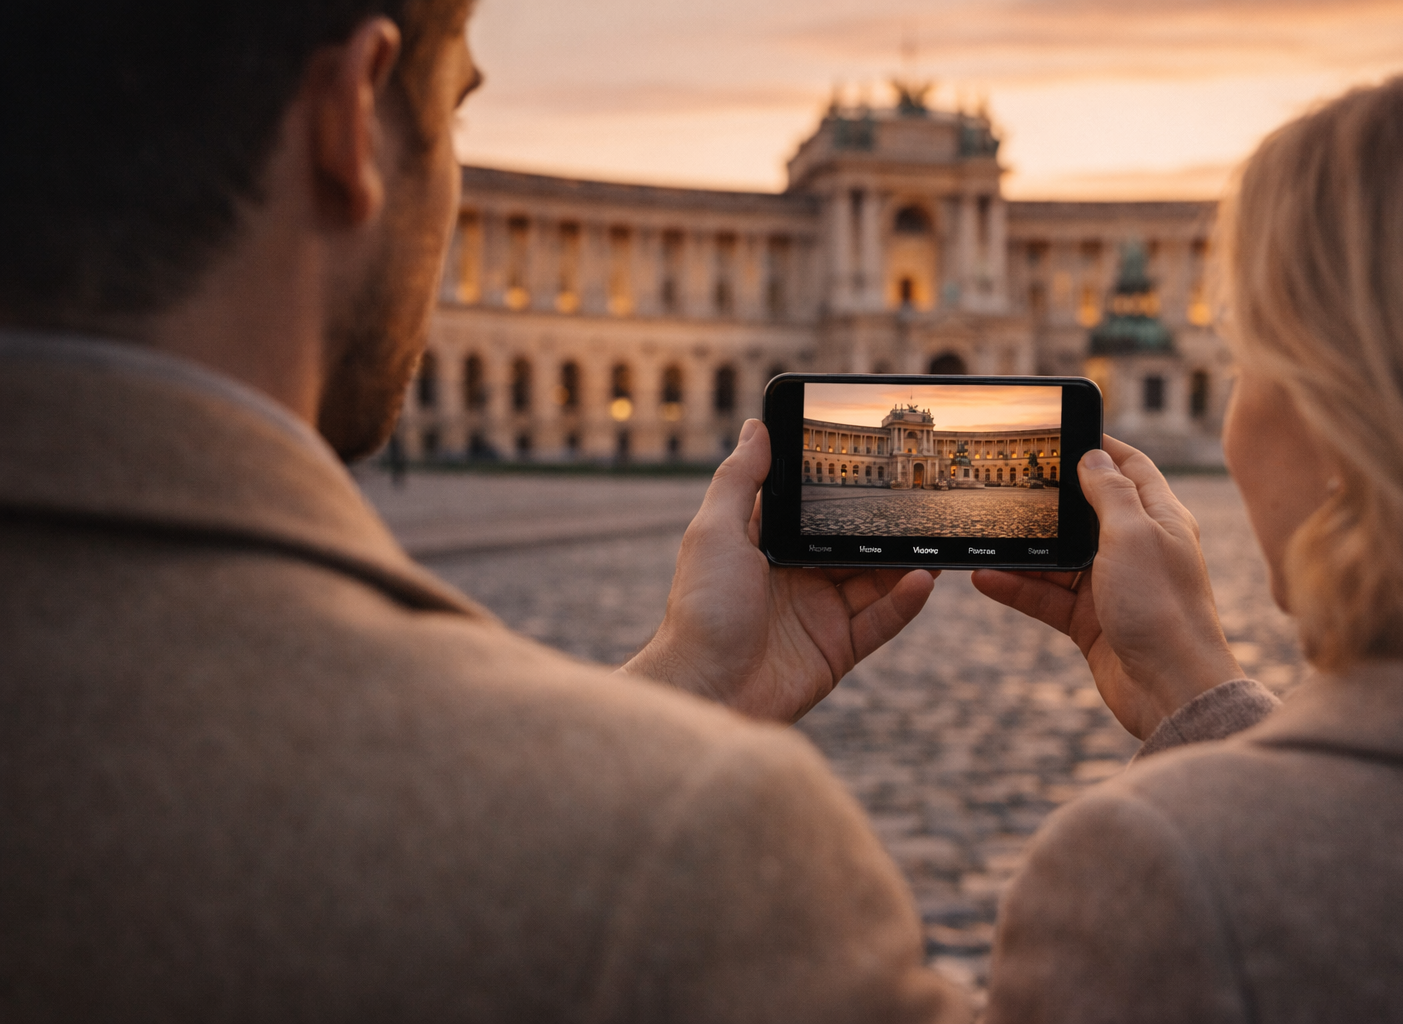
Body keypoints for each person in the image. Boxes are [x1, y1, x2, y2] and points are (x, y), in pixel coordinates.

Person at [0, 2, 978, 1019]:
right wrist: (1167, 722)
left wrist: (681, 696)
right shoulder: (696, 858)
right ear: (351, 118)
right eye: (454, 115)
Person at [973, 59, 1403, 1022]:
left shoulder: (1166, 873)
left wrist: (698, 701)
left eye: (1245, 356)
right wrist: (1195, 694)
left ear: (1346, 412)